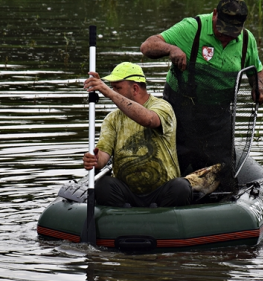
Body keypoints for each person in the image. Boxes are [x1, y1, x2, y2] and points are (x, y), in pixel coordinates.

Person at [139, 0, 263, 184]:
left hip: (218, 120)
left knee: (222, 177)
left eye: (232, 33)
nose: (226, 36)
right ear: (214, 14)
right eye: (223, 30)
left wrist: (259, 87)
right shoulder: (193, 28)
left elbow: (257, 69)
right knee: (169, 175)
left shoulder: (247, 40)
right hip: (180, 116)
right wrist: (170, 49)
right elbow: (147, 46)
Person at [82, 62, 191, 208]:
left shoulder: (162, 107)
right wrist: (95, 160)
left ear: (135, 88)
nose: (112, 92)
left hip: (162, 191)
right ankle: (126, 213)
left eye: (117, 88)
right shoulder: (112, 119)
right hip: (127, 192)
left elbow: (149, 119)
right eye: (112, 87)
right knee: (103, 185)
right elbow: (103, 155)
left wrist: (108, 91)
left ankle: (161, 215)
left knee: (181, 187)